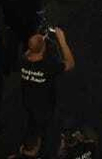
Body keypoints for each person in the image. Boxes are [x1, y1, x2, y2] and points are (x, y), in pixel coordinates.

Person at [18, 26, 74, 157]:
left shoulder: (22, 60)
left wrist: (39, 41)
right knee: (47, 129)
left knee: (32, 124)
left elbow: (30, 52)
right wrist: (62, 41)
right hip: (45, 107)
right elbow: (70, 63)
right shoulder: (49, 66)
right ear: (44, 48)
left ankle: (31, 143)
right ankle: (43, 149)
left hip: (28, 102)